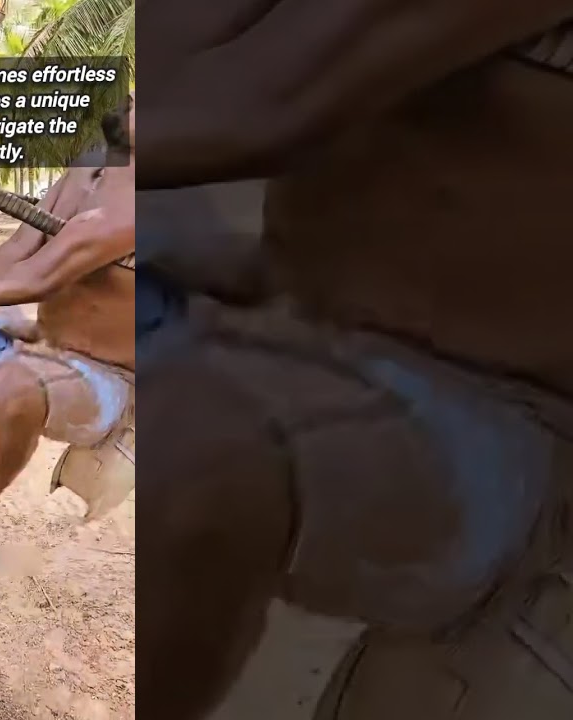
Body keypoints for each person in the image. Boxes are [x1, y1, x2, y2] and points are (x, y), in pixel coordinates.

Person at [120, 2, 573, 719]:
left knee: (197, 443)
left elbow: (252, 107)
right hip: (292, 327)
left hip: (500, 412)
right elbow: (170, 70)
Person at [0, 95, 150, 546]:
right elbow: (20, 248)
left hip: (107, 382)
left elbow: (37, 278)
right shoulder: (90, 168)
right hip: (44, 343)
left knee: (17, 380)